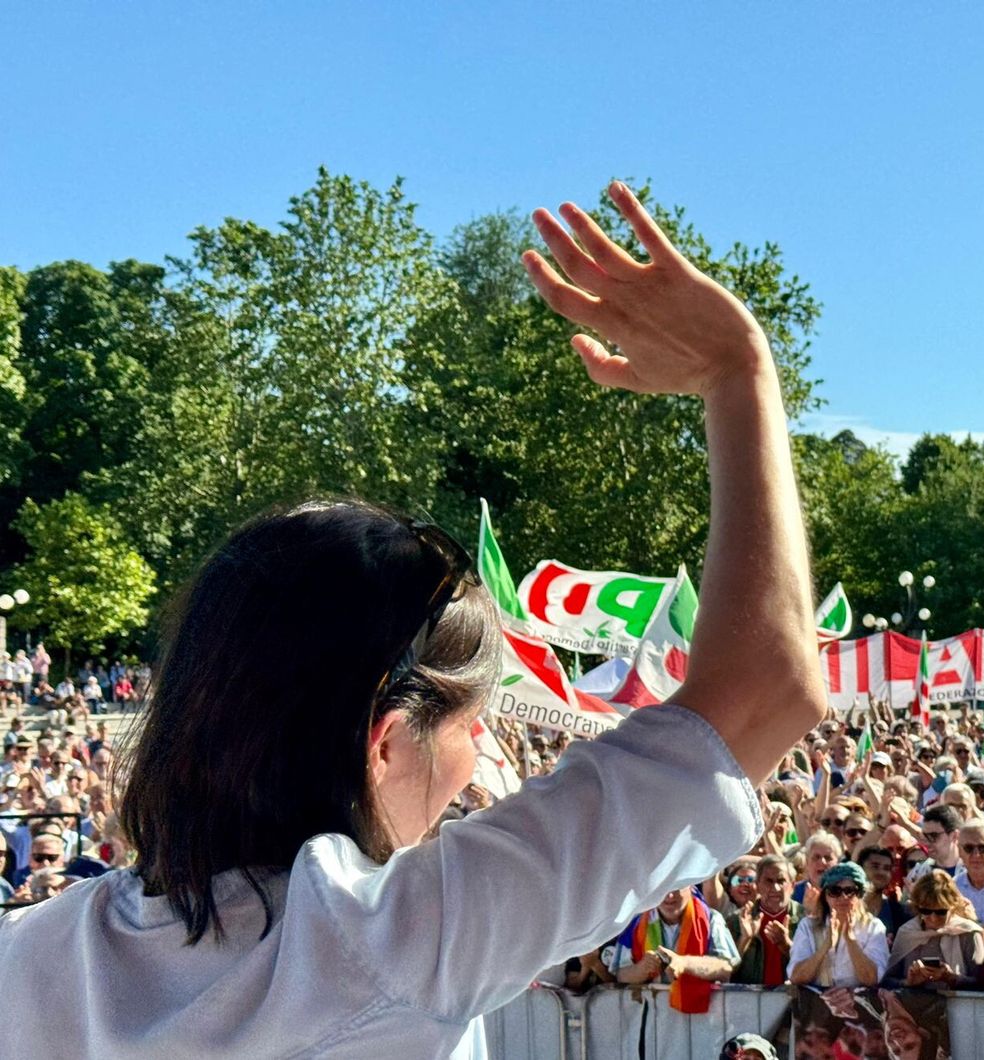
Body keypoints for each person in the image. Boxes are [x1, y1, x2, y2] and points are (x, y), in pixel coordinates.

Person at [0, 184, 826, 1057]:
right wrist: (739, 372)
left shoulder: (32, 951)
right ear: (388, 740)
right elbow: (763, 692)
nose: (477, 769)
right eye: (477, 725)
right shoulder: (396, 944)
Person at [612, 886, 739, 1010]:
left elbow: (725, 967)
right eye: (664, 888)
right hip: (653, 1019)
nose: (670, 896)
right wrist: (642, 968)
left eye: (677, 887)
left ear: (690, 886)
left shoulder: (711, 918)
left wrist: (684, 963)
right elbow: (620, 975)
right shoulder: (635, 922)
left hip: (701, 1017)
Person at [788, 863, 890, 987]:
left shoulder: (873, 927)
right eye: (835, 891)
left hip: (857, 1004)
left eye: (850, 891)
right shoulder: (808, 926)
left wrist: (850, 940)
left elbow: (872, 979)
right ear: (825, 896)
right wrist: (826, 945)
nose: (843, 897)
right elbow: (796, 977)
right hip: (815, 1004)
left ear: (860, 895)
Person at [884, 871, 984, 989]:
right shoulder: (907, 932)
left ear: (952, 908)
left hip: (958, 1004)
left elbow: (983, 983)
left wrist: (951, 978)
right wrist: (908, 982)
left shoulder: (968, 932)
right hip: (913, 1004)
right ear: (917, 908)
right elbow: (886, 981)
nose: (933, 918)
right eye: (926, 911)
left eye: (941, 912)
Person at [729, 854, 803, 987]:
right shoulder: (737, 920)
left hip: (795, 1000)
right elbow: (725, 972)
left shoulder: (806, 919)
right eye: (769, 881)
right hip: (750, 1001)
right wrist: (744, 939)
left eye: (781, 881)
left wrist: (786, 945)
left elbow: (816, 969)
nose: (775, 888)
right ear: (758, 885)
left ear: (792, 886)